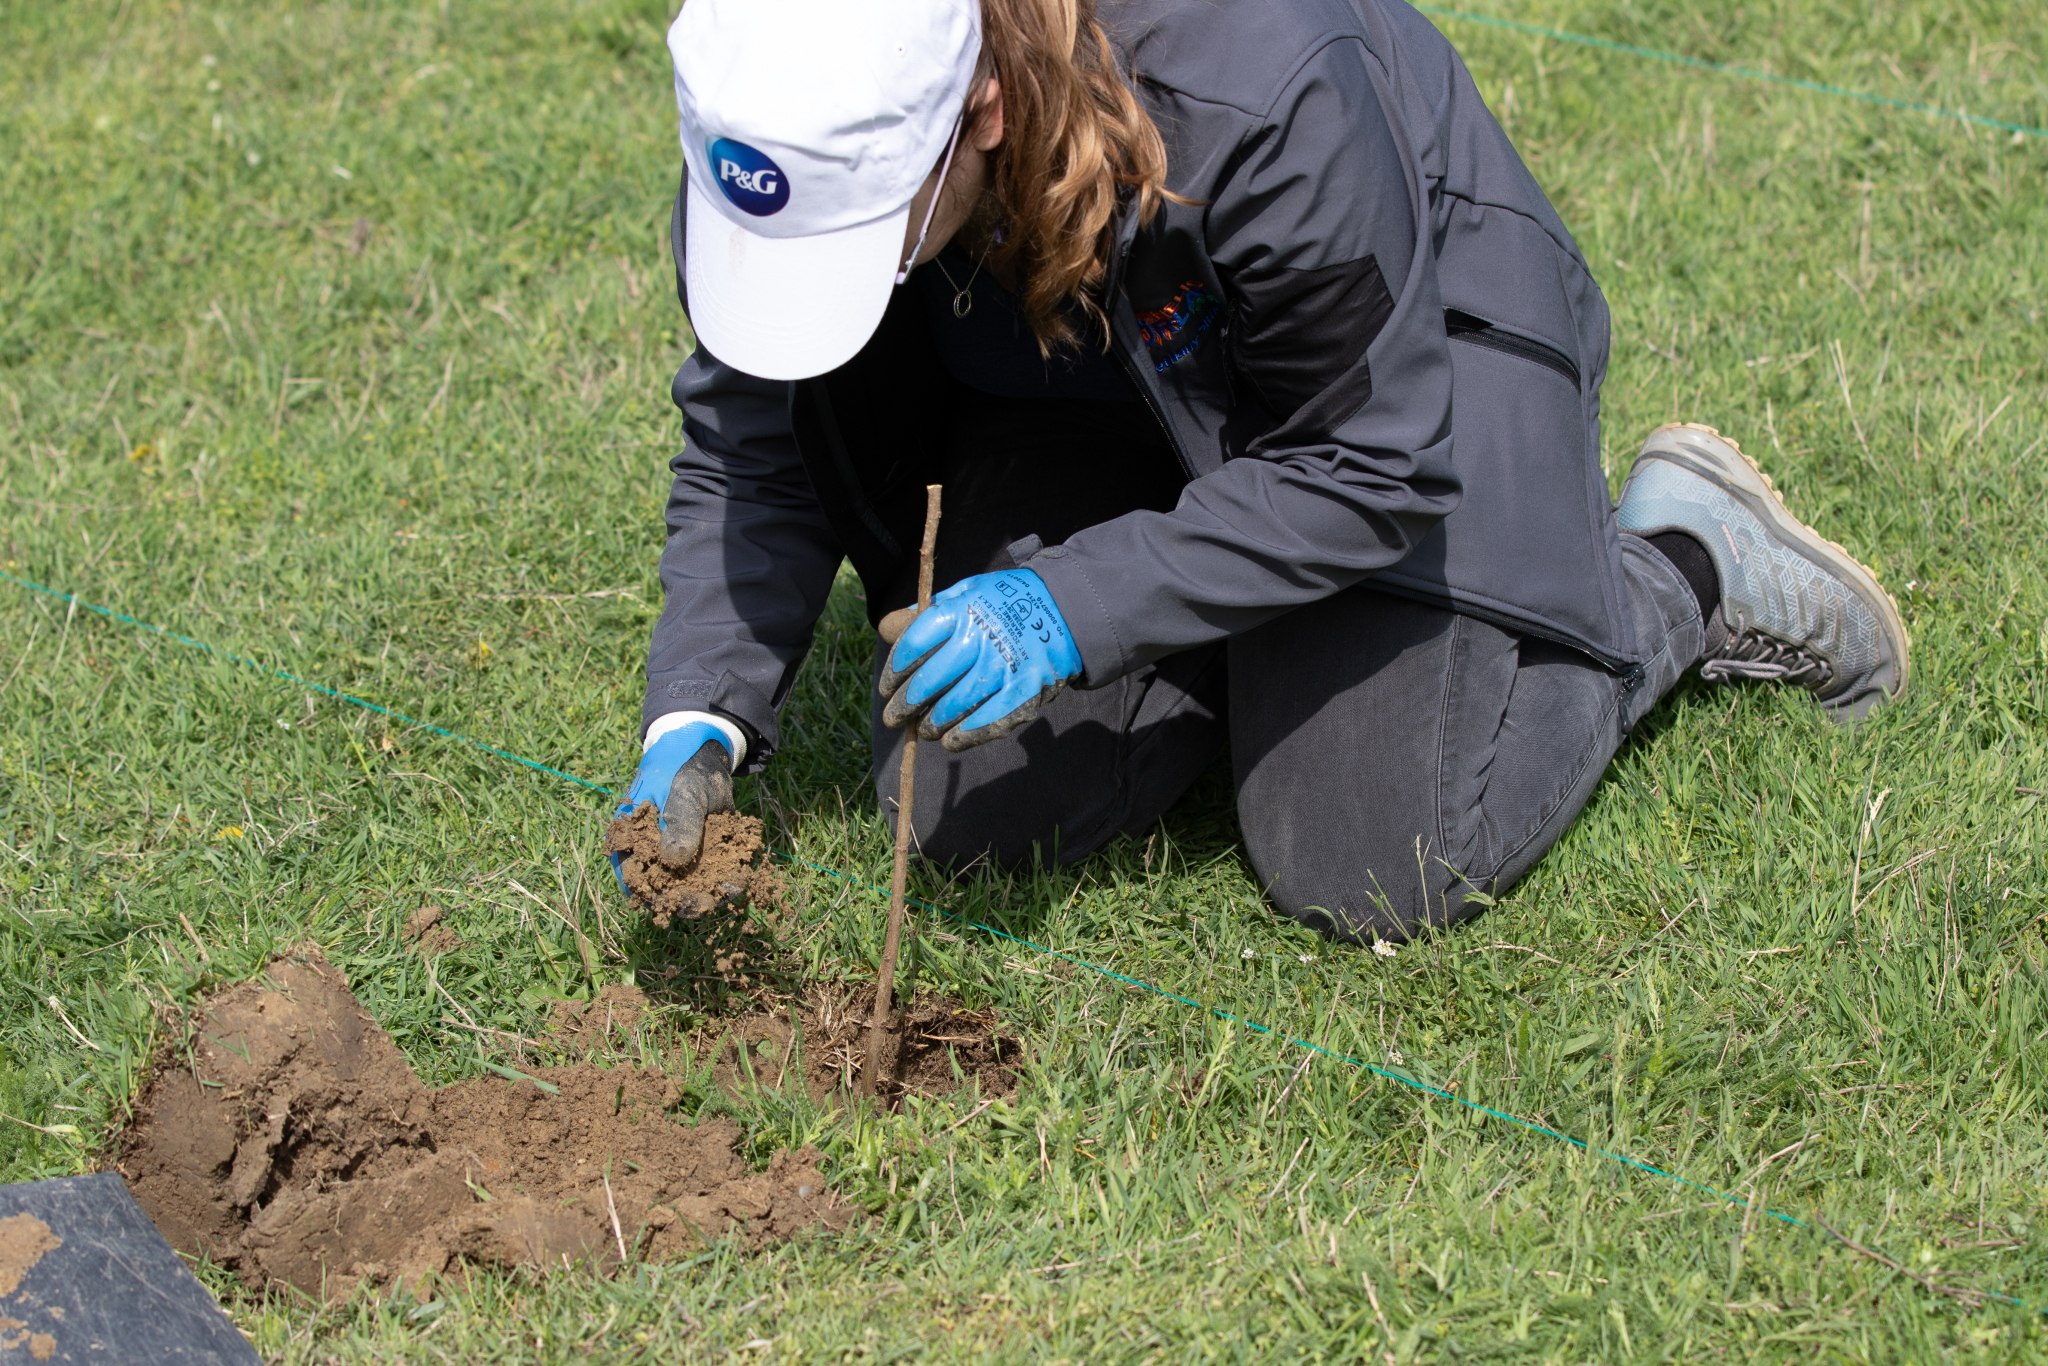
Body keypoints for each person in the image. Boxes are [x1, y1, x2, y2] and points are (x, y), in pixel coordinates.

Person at [615, 0, 1909, 945]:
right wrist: (698, 713)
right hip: (1107, 387)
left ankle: (1681, 564)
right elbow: (755, 429)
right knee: (953, 803)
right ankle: (1271, 646)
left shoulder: (1259, 81)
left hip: (1397, 371)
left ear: (985, 113)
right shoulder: (779, 111)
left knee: (1377, 852)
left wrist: (1074, 607)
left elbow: (1372, 455)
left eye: (868, 235)